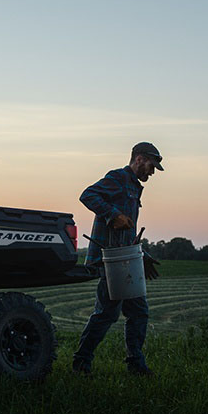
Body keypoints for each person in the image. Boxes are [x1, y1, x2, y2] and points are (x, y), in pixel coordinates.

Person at [72, 142, 163, 376]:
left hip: (126, 259)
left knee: (139, 312)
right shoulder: (118, 178)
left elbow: (128, 231)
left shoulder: (134, 187)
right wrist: (113, 214)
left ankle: (135, 363)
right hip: (110, 259)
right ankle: (81, 362)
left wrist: (142, 255)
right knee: (106, 313)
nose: (152, 173)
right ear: (140, 159)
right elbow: (87, 195)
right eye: (151, 166)